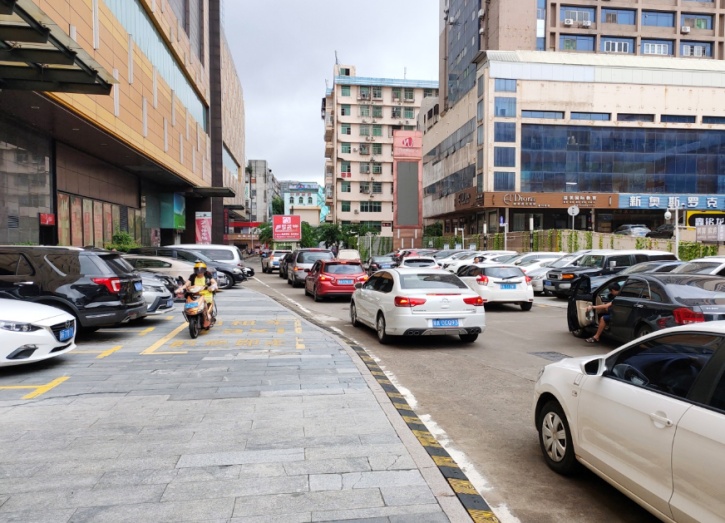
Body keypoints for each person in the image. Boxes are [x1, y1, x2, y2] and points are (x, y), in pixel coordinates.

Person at [180, 261, 218, 328]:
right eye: (197, 270)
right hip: (194, 294)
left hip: (206, 294)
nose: (199, 272)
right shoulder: (193, 276)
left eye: (201, 270)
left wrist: (213, 286)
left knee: (207, 306)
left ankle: (208, 316)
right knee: (189, 306)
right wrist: (181, 288)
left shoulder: (207, 275)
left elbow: (214, 282)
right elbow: (187, 284)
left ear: (204, 270)